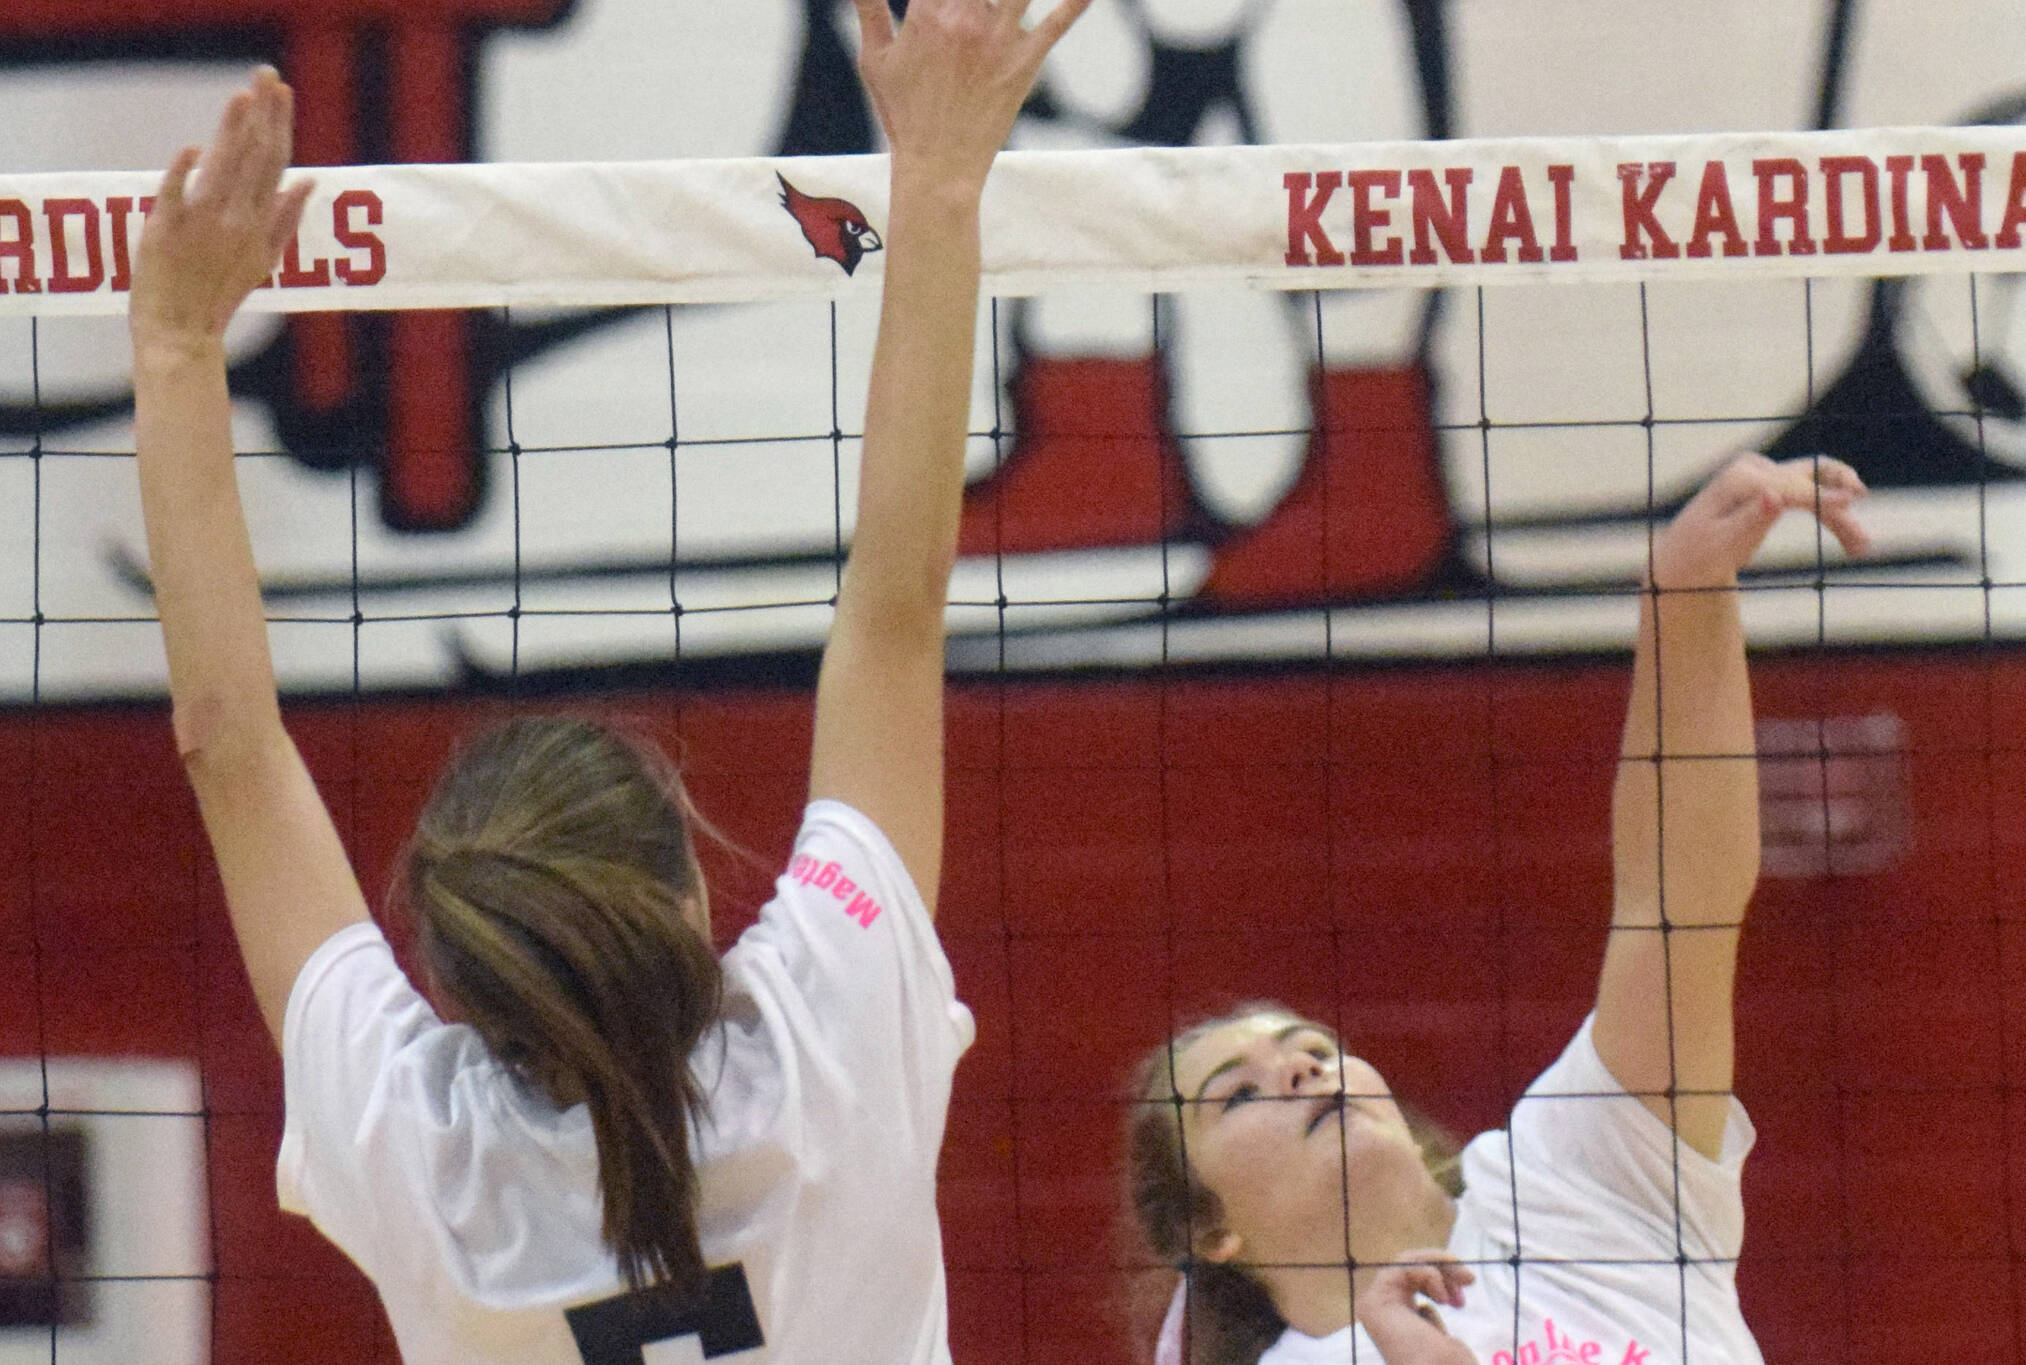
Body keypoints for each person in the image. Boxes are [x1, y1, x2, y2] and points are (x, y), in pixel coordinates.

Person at [126, 1, 1088, 1360]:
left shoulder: (415, 1146)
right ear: (687, 894)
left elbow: (229, 741)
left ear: (467, 974)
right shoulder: (827, 1026)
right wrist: (935, 180)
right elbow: (896, 619)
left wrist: (172, 347)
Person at [1128, 454, 1871, 1365]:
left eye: (1315, 1052)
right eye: (1236, 1093)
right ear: (1210, 1233)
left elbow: (1681, 902)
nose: (1299, 1075)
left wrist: (1683, 590)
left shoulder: (1567, 1177)